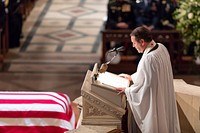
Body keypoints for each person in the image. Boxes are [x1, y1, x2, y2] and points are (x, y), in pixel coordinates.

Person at [115, 26, 181, 133]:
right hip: (163, 95)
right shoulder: (161, 47)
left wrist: (127, 91)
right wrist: (131, 77)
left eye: (134, 43)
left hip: (156, 100)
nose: (133, 46)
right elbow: (149, 75)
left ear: (142, 42)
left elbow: (146, 88)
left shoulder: (149, 58)